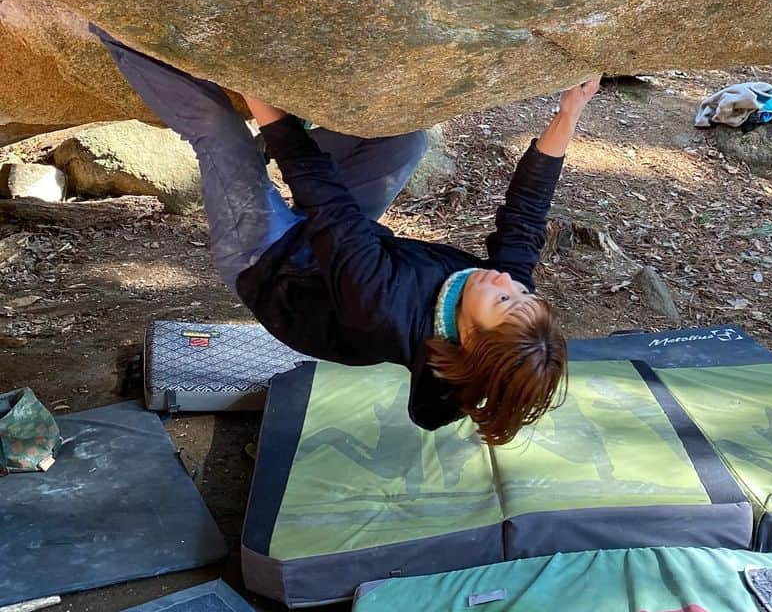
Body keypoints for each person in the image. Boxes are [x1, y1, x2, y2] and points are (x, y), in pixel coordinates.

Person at [91, 24, 600, 445]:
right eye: (522, 292)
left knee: (218, 130)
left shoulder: (382, 307)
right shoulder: (499, 292)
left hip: (270, 265)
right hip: (340, 246)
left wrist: (252, 85)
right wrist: (569, 113)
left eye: (505, 300)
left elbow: (326, 201)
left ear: (469, 336)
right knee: (403, 140)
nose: (506, 282)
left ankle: (114, 31)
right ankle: (267, 151)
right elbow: (527, 216)